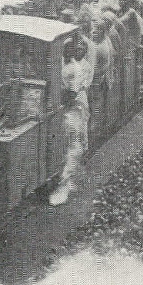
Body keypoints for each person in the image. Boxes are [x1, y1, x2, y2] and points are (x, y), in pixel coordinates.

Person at [51, 37, 93, 206]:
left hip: (74, 107)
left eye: (71, 49)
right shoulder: (61, 63)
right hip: (63, 106)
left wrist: (58, 102)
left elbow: (71, 94)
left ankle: (64, 186)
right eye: (66, 49)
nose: (69, 52)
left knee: (74, 143)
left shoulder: (75, 68)